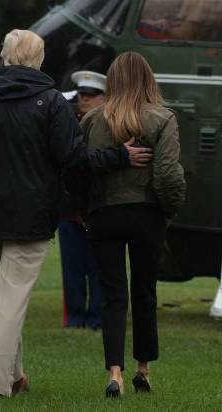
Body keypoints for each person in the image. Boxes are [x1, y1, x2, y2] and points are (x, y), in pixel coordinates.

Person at [0, 29, 153, 398]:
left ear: (5, 56)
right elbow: (74, 160)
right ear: (39, 59)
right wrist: (118, 156)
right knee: (11, 300)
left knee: (5, 300)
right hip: (33, 216)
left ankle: (16, 376)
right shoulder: (51, 102)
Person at [81, 52, 186, 398]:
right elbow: (169, 174)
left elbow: (78, 169)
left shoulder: (92, 120)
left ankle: (115, 373)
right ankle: (143, 368)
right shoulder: (162, 118)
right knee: (145, 292)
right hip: (146, 214)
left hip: (104, 214)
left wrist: (86, 210)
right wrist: (168, 210)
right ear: (148, 79)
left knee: (112, 296)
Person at [59, 70, 107, 330]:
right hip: (70, 210)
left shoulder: (111, 126)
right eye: (82, 95)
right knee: (72, 269)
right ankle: (75, 318)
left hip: (100, 207)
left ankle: (98, 319)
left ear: (104, 98)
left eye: (92, 95)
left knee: (99, 267)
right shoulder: (68, 124)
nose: (85, 100)